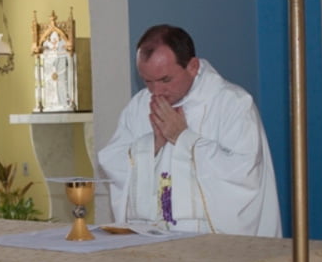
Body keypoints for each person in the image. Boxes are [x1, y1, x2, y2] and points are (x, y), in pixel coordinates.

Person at [98, 24, 281, 237]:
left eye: (165, 79)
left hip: (212, 243)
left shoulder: (233, 104)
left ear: (192, 66)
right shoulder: (139, 107)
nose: (156, 91)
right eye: (147, 81)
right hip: (152, 243)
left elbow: (244, 174)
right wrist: (153, 145)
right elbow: (111, 160)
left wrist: (182, 137)